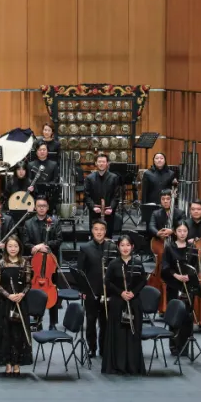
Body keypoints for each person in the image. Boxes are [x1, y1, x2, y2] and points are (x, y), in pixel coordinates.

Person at [102, 235, 146, 375]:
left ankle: (133, 366)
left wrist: (133, 292)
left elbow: (143, 281)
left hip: (134, 302)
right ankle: (118, 365)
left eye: (128, 245)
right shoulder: (113, 264)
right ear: (118, 247)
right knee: (119, 335)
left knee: (133, 334)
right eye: (122, 245)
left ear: (132, 247)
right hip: (118, 302)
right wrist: (121, 292)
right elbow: (107, 282)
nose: (125, 248)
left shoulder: (138, 263)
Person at [0, 235, 32, 374]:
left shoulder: (25, 263)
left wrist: (21, 294)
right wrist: (9, 295)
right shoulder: (1, 263)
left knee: (18, 333)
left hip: (20, 302)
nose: (13, 249)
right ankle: (7, 362)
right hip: (5, 302)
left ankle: (17, 363)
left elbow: (28, 283)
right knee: (6, 332)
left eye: (15, 246)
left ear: (19, 247)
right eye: (10, 246)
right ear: (6, 248)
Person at [22, 197, 62, 328]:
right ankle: (37, 320)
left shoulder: (55, 222)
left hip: (51, 263)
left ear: (48, 207)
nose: (41, 208)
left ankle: (53, 322)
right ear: (35, 207)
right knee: (35, 290)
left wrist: (45, 245)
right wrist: (36, 247)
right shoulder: (28, 223)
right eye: (39, 206)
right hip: (35, 263)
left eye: (44, 205)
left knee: (53, 291)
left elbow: (59, 240)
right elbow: (25, 242)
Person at [77, 219, 114, 358]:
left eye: (102, 229)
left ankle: (104, 348)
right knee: (91, 321)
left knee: (105, 322)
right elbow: (80, 271)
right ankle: (92, 348)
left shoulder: (112, 247)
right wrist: (82, 291)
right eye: (96, 229)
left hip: (107, 291)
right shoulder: (85, 248)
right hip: (91, 291)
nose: (99, 232)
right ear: (92, 231)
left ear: (105, 231)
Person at [160, 221, 196, 356]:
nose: (182, 233)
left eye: (185, 231)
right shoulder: (169, 247)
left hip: (188, 285)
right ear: (175, 232)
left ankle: (184, 347)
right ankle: (174, 346)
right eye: (179, 231)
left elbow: (195, 267)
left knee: (187, 316)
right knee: (175, 315)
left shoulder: (192, 247)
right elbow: (165, 267)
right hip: (174, 285)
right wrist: (177, 276)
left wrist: (189, 276)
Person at [83, 153, 121, 233]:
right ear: (96, 163)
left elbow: (116, 196)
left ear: (107, 163)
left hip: (108, 212)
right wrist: (93, 207)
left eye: (103, 162)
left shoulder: (114, 177)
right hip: (95, 212)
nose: (101, 164)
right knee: (95, 234)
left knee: (108, 234)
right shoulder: (89, 178)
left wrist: (111, 207)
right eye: (99, 162)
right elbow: (87, 196)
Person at [141, 153, 177, 225]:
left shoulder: (171, 173)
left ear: (165, 160)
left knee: (166, 225)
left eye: (161, 158)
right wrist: (144, 207)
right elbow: (144, 192)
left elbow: (173, 190)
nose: (159, 160)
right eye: (157, 158)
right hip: (151, 204)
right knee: (151, 225)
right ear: (153, 160)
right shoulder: (147, 173)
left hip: (166, 204)